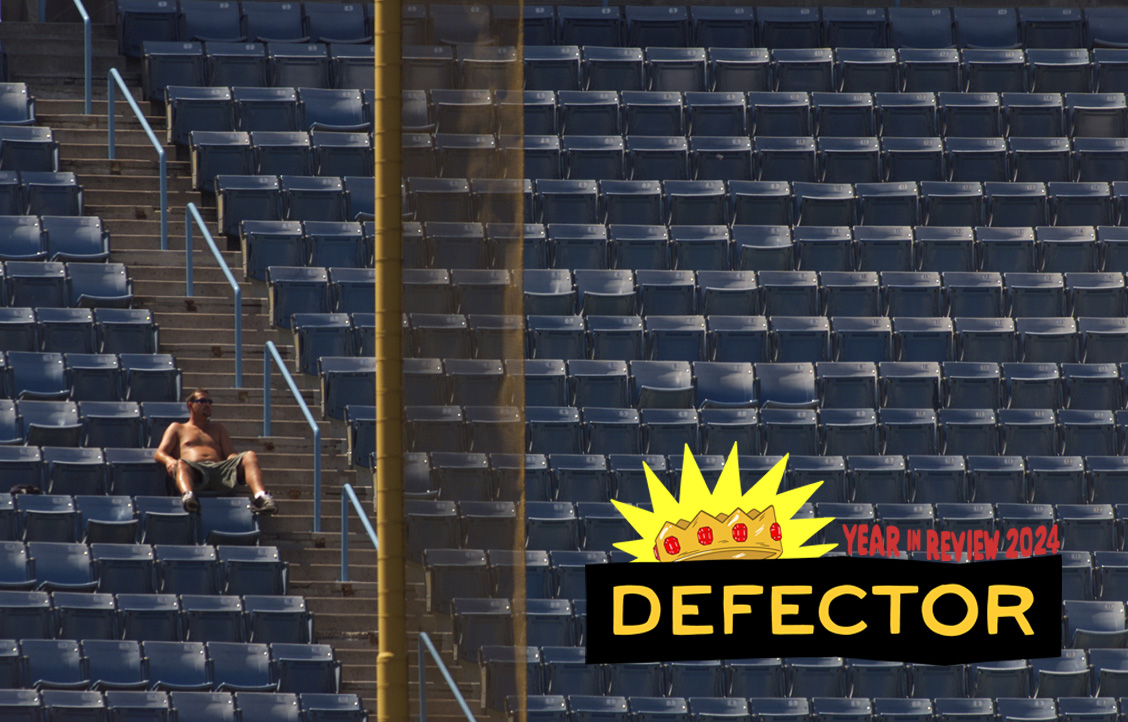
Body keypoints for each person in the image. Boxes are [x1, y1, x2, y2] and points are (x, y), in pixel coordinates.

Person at [154, 388, 278, 514]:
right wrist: (169, 460)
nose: (207, 404)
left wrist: (235, 460)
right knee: (181, 463)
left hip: (219, 470)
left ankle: (261, 497)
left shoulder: (218, 428)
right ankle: (188, 497)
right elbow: (159, 453)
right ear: (190, 405)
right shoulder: (178, 428)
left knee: (250, 455)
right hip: (195, 472)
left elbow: (229, 453)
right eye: (202, 401)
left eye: (209, 401)